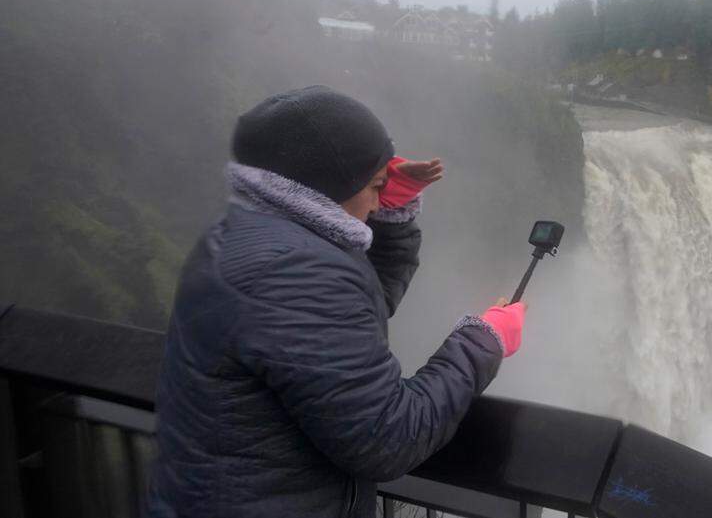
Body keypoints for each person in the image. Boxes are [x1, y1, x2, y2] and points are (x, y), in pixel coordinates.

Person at [146, 86, 527, 518]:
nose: (378, 198)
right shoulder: (295, 275)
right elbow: (388, 438)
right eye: (377, 186)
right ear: (328, 188)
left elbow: (362, 304)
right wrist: (484, 340)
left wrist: (391, 210)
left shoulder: (248, 237)